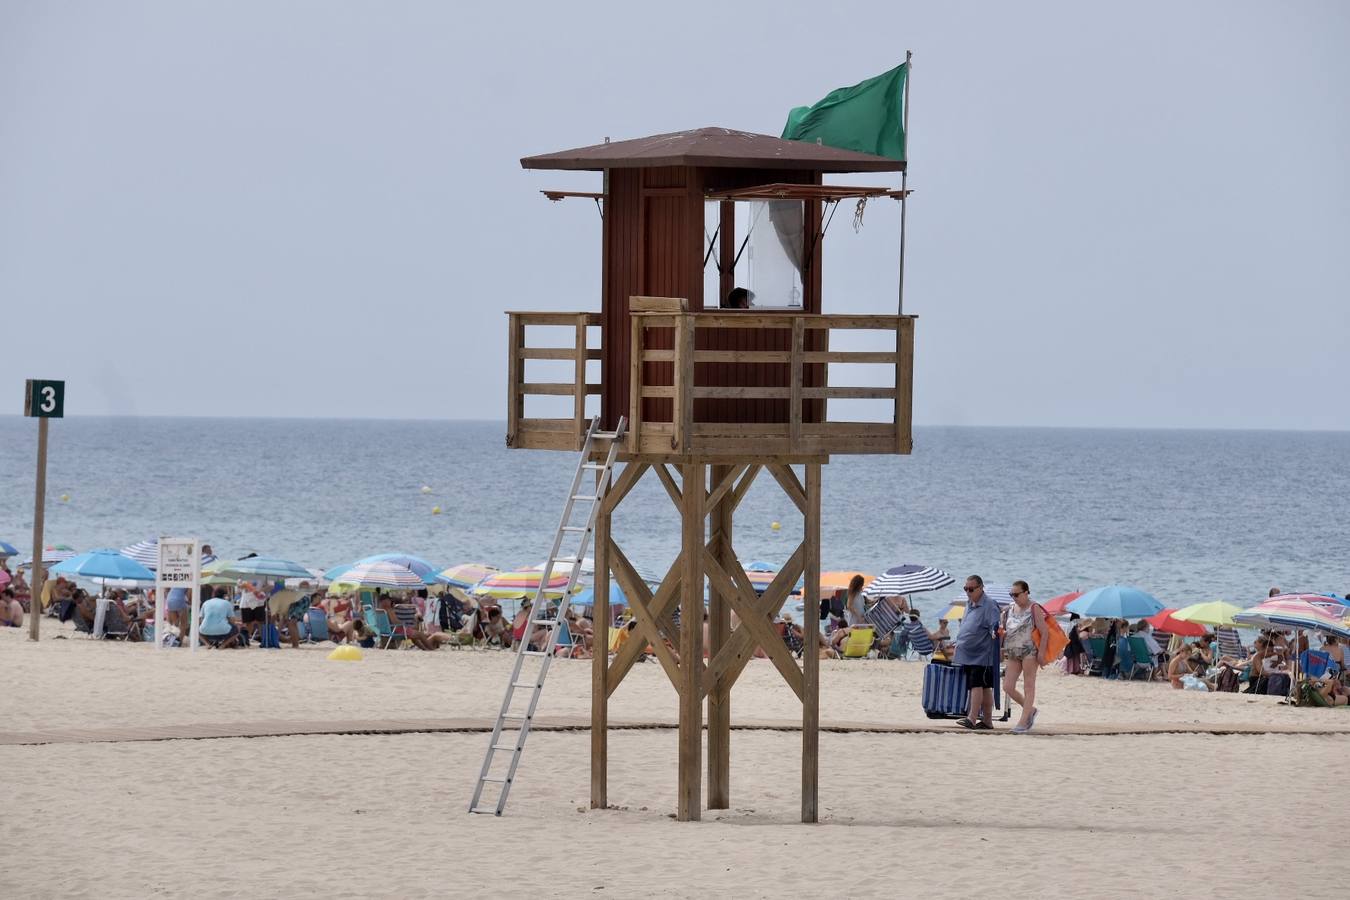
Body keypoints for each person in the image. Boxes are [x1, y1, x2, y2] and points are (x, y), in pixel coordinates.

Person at [1000, 580, 1048, 733]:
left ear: (1026, 592)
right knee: (1007, 686)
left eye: (1016, 594)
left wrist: (1041, 653)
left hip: (1030, 651)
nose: (1014, 597)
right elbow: (1006, 631)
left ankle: (1023, 721)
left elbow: (1044, 631)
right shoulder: (1009, 609)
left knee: (1029, 685)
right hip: (1013, 652)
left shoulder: (1034, 608)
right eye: (1011, 594)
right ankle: (1030, 710)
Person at [954, 575, 1001, 730]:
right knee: (986, 687)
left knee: (976, 684)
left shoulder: (989, 605)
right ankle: (987, 721)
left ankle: (972, 718)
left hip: (982, 653)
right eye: (965, 588)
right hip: (968, 653)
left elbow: (994, 627)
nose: (968, 592)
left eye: (971, 589)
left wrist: (995, 633)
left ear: (981, 588)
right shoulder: (969, 603)